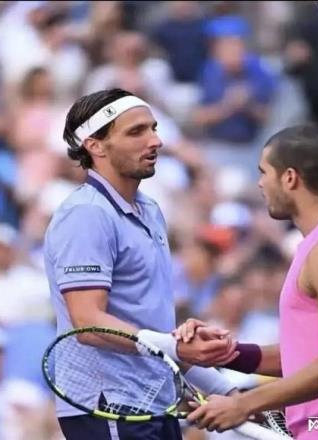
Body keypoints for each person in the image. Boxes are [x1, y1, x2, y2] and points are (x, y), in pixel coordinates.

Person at [177, 124, 318, 439]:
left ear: (289, 178)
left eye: (264, 172)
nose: (259, 183)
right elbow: (307, 358)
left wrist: (245, 403)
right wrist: (226, 353)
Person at [43, 88, 239, 440]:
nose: (156, 141)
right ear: (95, 146)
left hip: (153, 402)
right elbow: (87, 324)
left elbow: (152, 331)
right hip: (108, 406)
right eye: (136, 132)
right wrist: (177, 347)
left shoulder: (150, 209)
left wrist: (228, 391)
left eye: (153, 128)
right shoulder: (86, 214)